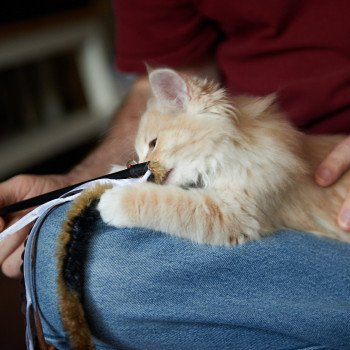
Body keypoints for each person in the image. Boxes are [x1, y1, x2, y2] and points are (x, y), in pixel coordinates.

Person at [1, 1, 350, 348]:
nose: (146, 163)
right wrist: (73, 186)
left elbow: (230, 220)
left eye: (152, 145)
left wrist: (137, 205)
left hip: (321, 239)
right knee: (59, 254)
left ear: (193, 101)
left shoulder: (264, 156)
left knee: (80, 267)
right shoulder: (223, 150)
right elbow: (157, 83)